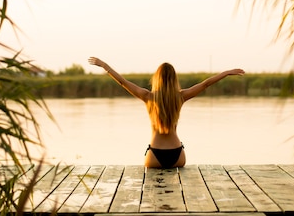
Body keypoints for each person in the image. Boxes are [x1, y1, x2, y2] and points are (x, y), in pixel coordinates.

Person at [88, 57, 245, 168]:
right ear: (174, 79)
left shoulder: (148, 97)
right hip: (177, 155)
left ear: (157, 79)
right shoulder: (180, 97)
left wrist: (104, 65)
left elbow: (123, 82)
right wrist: (226, 72)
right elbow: (205, 84)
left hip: (155, 155)